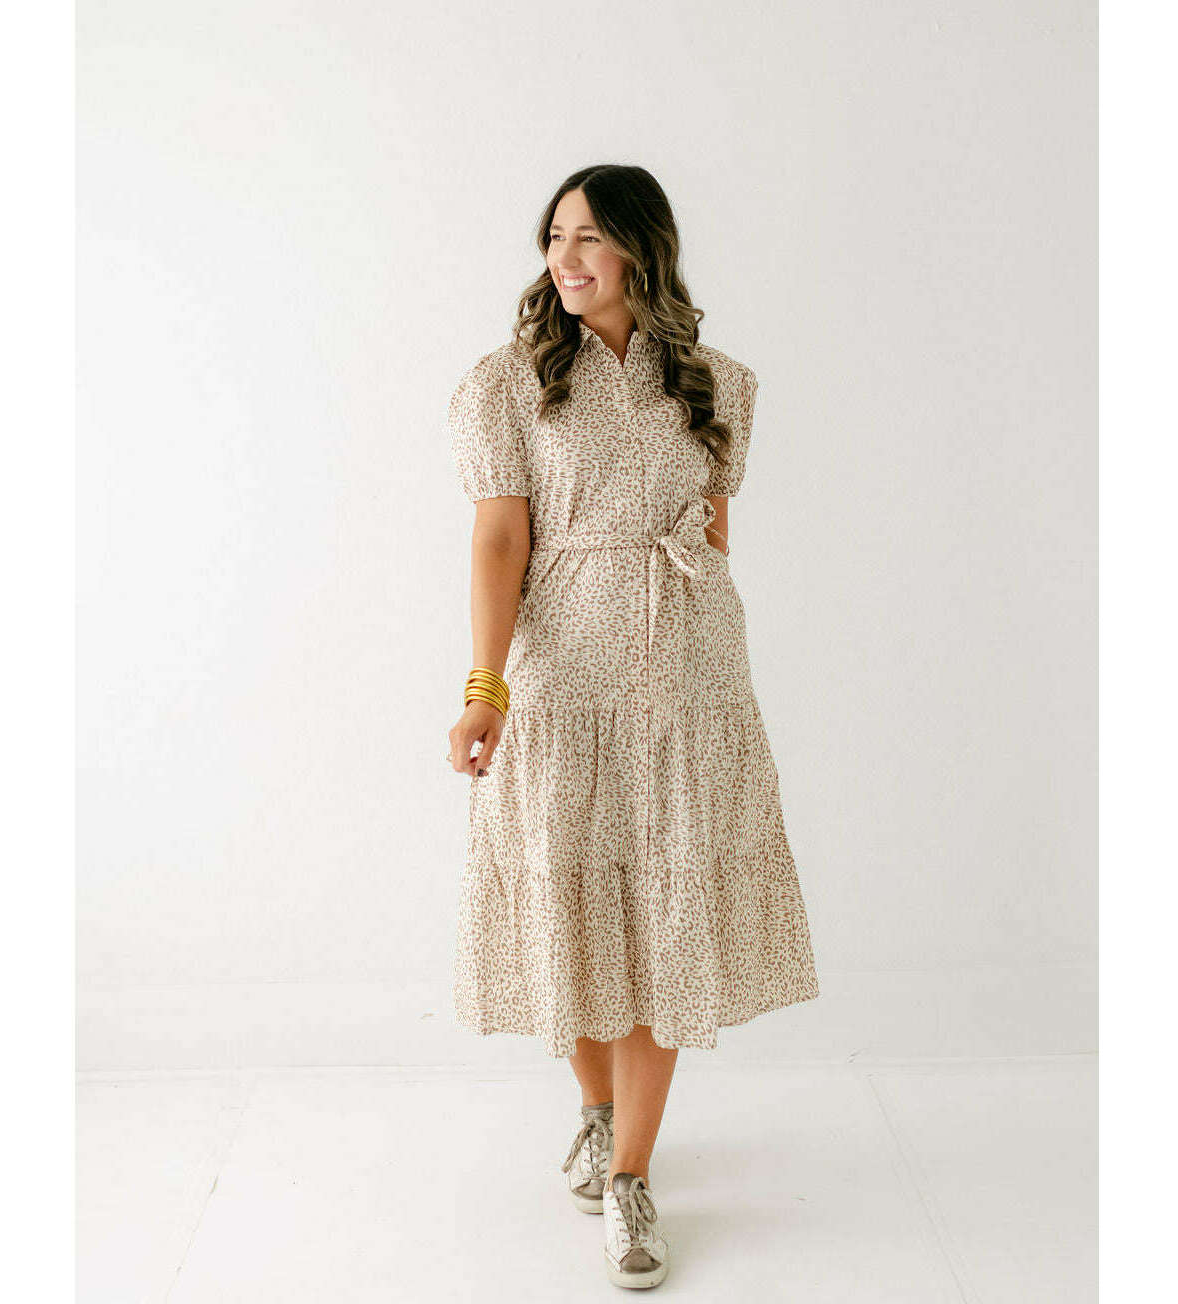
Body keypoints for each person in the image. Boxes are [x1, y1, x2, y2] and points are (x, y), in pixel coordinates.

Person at [445, 164, 819, 1290]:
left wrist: (689, 642)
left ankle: (630, 1178)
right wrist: (485, 686)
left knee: (663, 917)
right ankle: (598, 1110)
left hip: (686, 684)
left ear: (641, 251)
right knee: (565, 904)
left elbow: (712, 534)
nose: (564, 259)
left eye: (589, 238)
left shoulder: (715, 381)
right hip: (560, 678)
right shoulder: (507, 383)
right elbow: (499, 541)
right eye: (554, 236)